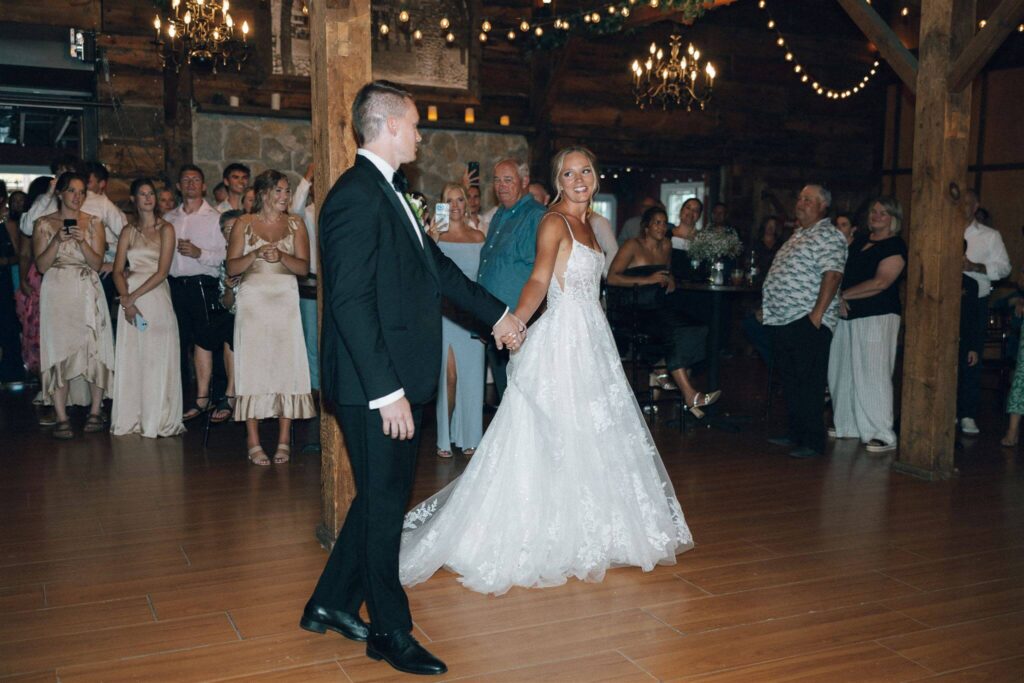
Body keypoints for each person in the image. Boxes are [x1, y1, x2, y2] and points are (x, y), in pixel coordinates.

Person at [299, 80, 523, 677]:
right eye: (416, 125)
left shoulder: (393, 193)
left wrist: (498, 313)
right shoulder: (354, 196)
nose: (421, 136)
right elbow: (347, 301)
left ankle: (329, 602)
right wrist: (385, 391)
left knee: (379, 498)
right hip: (378, 384)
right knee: (385, 505)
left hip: (397, 375)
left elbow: (438, 272)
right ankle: (390, 633)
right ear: (390, 125)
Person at [400, 146, 693, 597]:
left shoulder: (593, 226)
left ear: (595, 177)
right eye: (569, 173)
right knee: (552, 431)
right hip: (561, 340)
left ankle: (593, 528)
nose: (579, 179)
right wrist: (515, 320)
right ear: (558, 180)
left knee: (594, 431)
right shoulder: (554, 221)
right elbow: (538, 279)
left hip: (592, 337)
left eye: (586, 171)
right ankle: (543, 530)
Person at [226, 170, 315, 464]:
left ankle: (284, 440)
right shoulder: (243, 223)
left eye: (287, 191)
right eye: (279, 191)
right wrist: (255, 256)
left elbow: (304, 268)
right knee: (253, 367)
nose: (285, 197)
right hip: (253, 304)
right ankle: (253, 440)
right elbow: (231, 268)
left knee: (285, 366)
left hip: (286, 301)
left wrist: (282, 258)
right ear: (264, 194)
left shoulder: (296, 224)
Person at [762, 184, 847, 458]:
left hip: (807, 319)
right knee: (791, 380)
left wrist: (817, 315)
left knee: (809, 382)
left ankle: (812, 441)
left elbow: (832, 275)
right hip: (784, 319)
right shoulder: (799, 234)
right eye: (799, 198)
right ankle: (795, 433)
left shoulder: (829, 236)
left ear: (823, 206)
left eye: (807, 200)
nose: (800, 203)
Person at [607, 205, 719, 415]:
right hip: (633, 309)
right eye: (656, 222)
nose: (661, 226)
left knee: (697, 327)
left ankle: (662, 367)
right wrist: (647, 279)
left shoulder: (667, 245)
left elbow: (666, 272)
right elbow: (612, 278)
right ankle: (689, 393)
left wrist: (670, 279)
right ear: (647, 227)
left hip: (657, 306)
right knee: (672, 332)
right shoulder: (632, 245)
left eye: (663, 222)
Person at [33, 172, 114, 439]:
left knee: (95, 346)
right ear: (60, 193)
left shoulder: (94, 223)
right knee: (59, 349)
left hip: (87, 286)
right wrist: (57, 239)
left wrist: (80, 240)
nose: (77, 197)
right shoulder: (43, 223)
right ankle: (61, 415)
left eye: (81, 192)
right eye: (72, 191)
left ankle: (95, 410)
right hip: (57, 288)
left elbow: (96, 263)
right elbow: (42, 266)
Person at [828, 197, 907, 453]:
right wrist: (837, 296)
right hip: (847, 316)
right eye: (873, 211)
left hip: (878, 316)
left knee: (873, 372)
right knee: (842, 371)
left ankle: (881, 433)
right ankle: (847, 424)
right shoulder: (860, 241)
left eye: (883, 212)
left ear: (893, 219)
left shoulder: (895, 245)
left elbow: (881, 282)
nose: (876, 216)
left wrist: (843, 295)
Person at [110, 179, 185, 438]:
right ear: (133, 199)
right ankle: (132, 416)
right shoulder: (127, 231)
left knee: (156, 356)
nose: (148, 198)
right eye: (142, 194)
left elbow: (163, 272)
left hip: (155, 297)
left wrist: (133, 298)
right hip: (130, 299)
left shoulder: (167, 229)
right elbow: (118, 270)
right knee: (134, 358)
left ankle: (158, 418)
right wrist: (126, 298)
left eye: (151, 193)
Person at [165, 165, 230, 422]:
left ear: (203, 186)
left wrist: (199, 253)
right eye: (186, 179)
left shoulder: (215, 218)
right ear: (179, 186)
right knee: (178, 345)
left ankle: (204, 399)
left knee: (205, 343)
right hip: (173, 287)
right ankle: (177, 402)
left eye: (196, 179)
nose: (191, 183)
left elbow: (226, 256)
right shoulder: (169, 218)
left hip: (203, 285)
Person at [477, 157, 546, 402]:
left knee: (522, 397)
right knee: (506, 396)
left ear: (524, 181)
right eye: (497, 180)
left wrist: (522, 319)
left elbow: (541, 273)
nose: (501, 186)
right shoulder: (499, 216)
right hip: (495, 321)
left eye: (508, 180)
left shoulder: (536, 216)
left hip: (519, 323)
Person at [426, 182, 486, 458]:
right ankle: (444, 437)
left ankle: (471, 437)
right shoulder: (433, 237)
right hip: (443, 315)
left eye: (459, 200)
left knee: (472, 379)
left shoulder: (478, 237)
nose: (454, 206)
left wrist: (487, 319)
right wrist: (430, 242)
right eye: (448, 201)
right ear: (441, 205)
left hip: (471, 317)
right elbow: (422, 275)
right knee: (448, 377)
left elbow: (483, 281)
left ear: (467, 203)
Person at [959, 190, 1010, 435]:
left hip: (975, 303)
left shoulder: (989, 236)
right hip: (945, 303)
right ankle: (947, 410)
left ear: (976, 205)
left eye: (968, 203)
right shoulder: (944, 230)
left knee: (971, 356)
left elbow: (1004, 269)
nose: (964, 206)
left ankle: (967, 413)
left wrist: (974, 267)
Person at [291, 163, 320, 395]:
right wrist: (308, 176)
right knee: (311, 337)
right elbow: (294, 208)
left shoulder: (341, 208)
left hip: (335, 283)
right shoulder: (307, 213)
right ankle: (315, 388)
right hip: (310, 281)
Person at [1, 184, 24, 383]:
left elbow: (20, 255)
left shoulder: (8, 224)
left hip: (4, 277)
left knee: (7, 323)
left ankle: (11, 371)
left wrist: (5, 261)